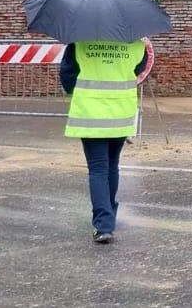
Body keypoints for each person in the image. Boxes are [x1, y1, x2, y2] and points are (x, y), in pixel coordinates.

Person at [59, 40, 148, 245]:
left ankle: (103, 225)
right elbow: (139, 70)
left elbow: (67, 75)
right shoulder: (136, 44)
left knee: (98, 168)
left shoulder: (80, 43)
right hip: (121, 113)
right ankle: (109, 215)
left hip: (90, 114)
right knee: (112, 165)